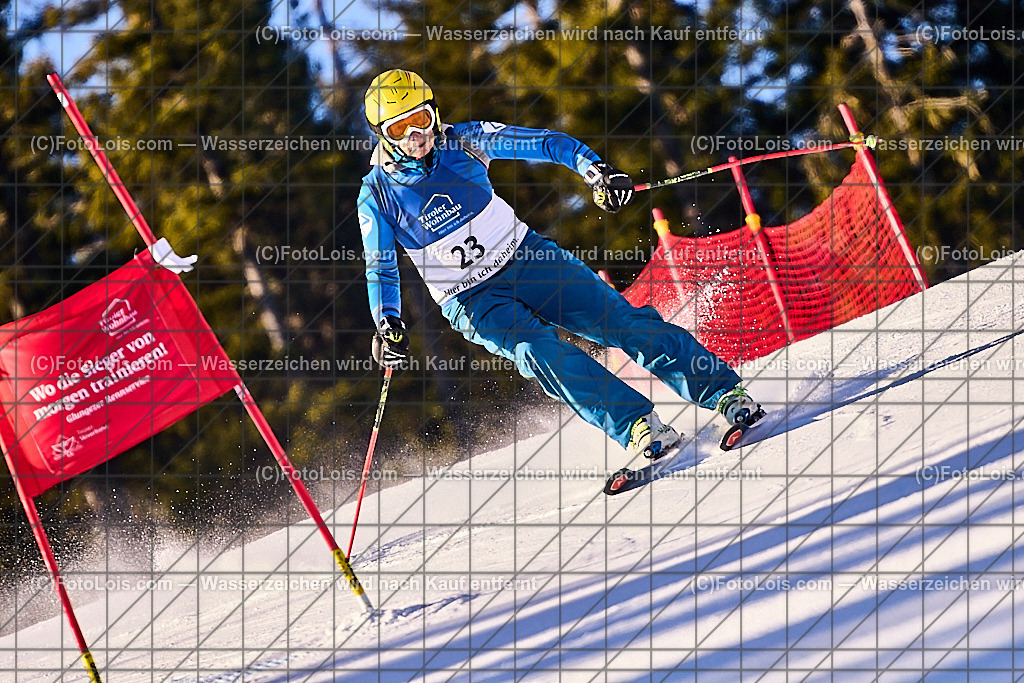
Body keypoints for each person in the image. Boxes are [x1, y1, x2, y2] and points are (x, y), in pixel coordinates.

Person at [357, 69, 759, 465]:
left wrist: (595, 171)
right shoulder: (376, 194)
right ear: (382, 135)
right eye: (400, 129)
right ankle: (638, 425)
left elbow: (546, 143)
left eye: (421, 119)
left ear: (434, 113)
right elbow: (381, 266)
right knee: (538, 352)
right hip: (471, 298)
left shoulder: (465, 140)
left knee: (621, 322)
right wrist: (387, 321)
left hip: (528, 258)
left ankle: (724, 392)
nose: (416, 135)